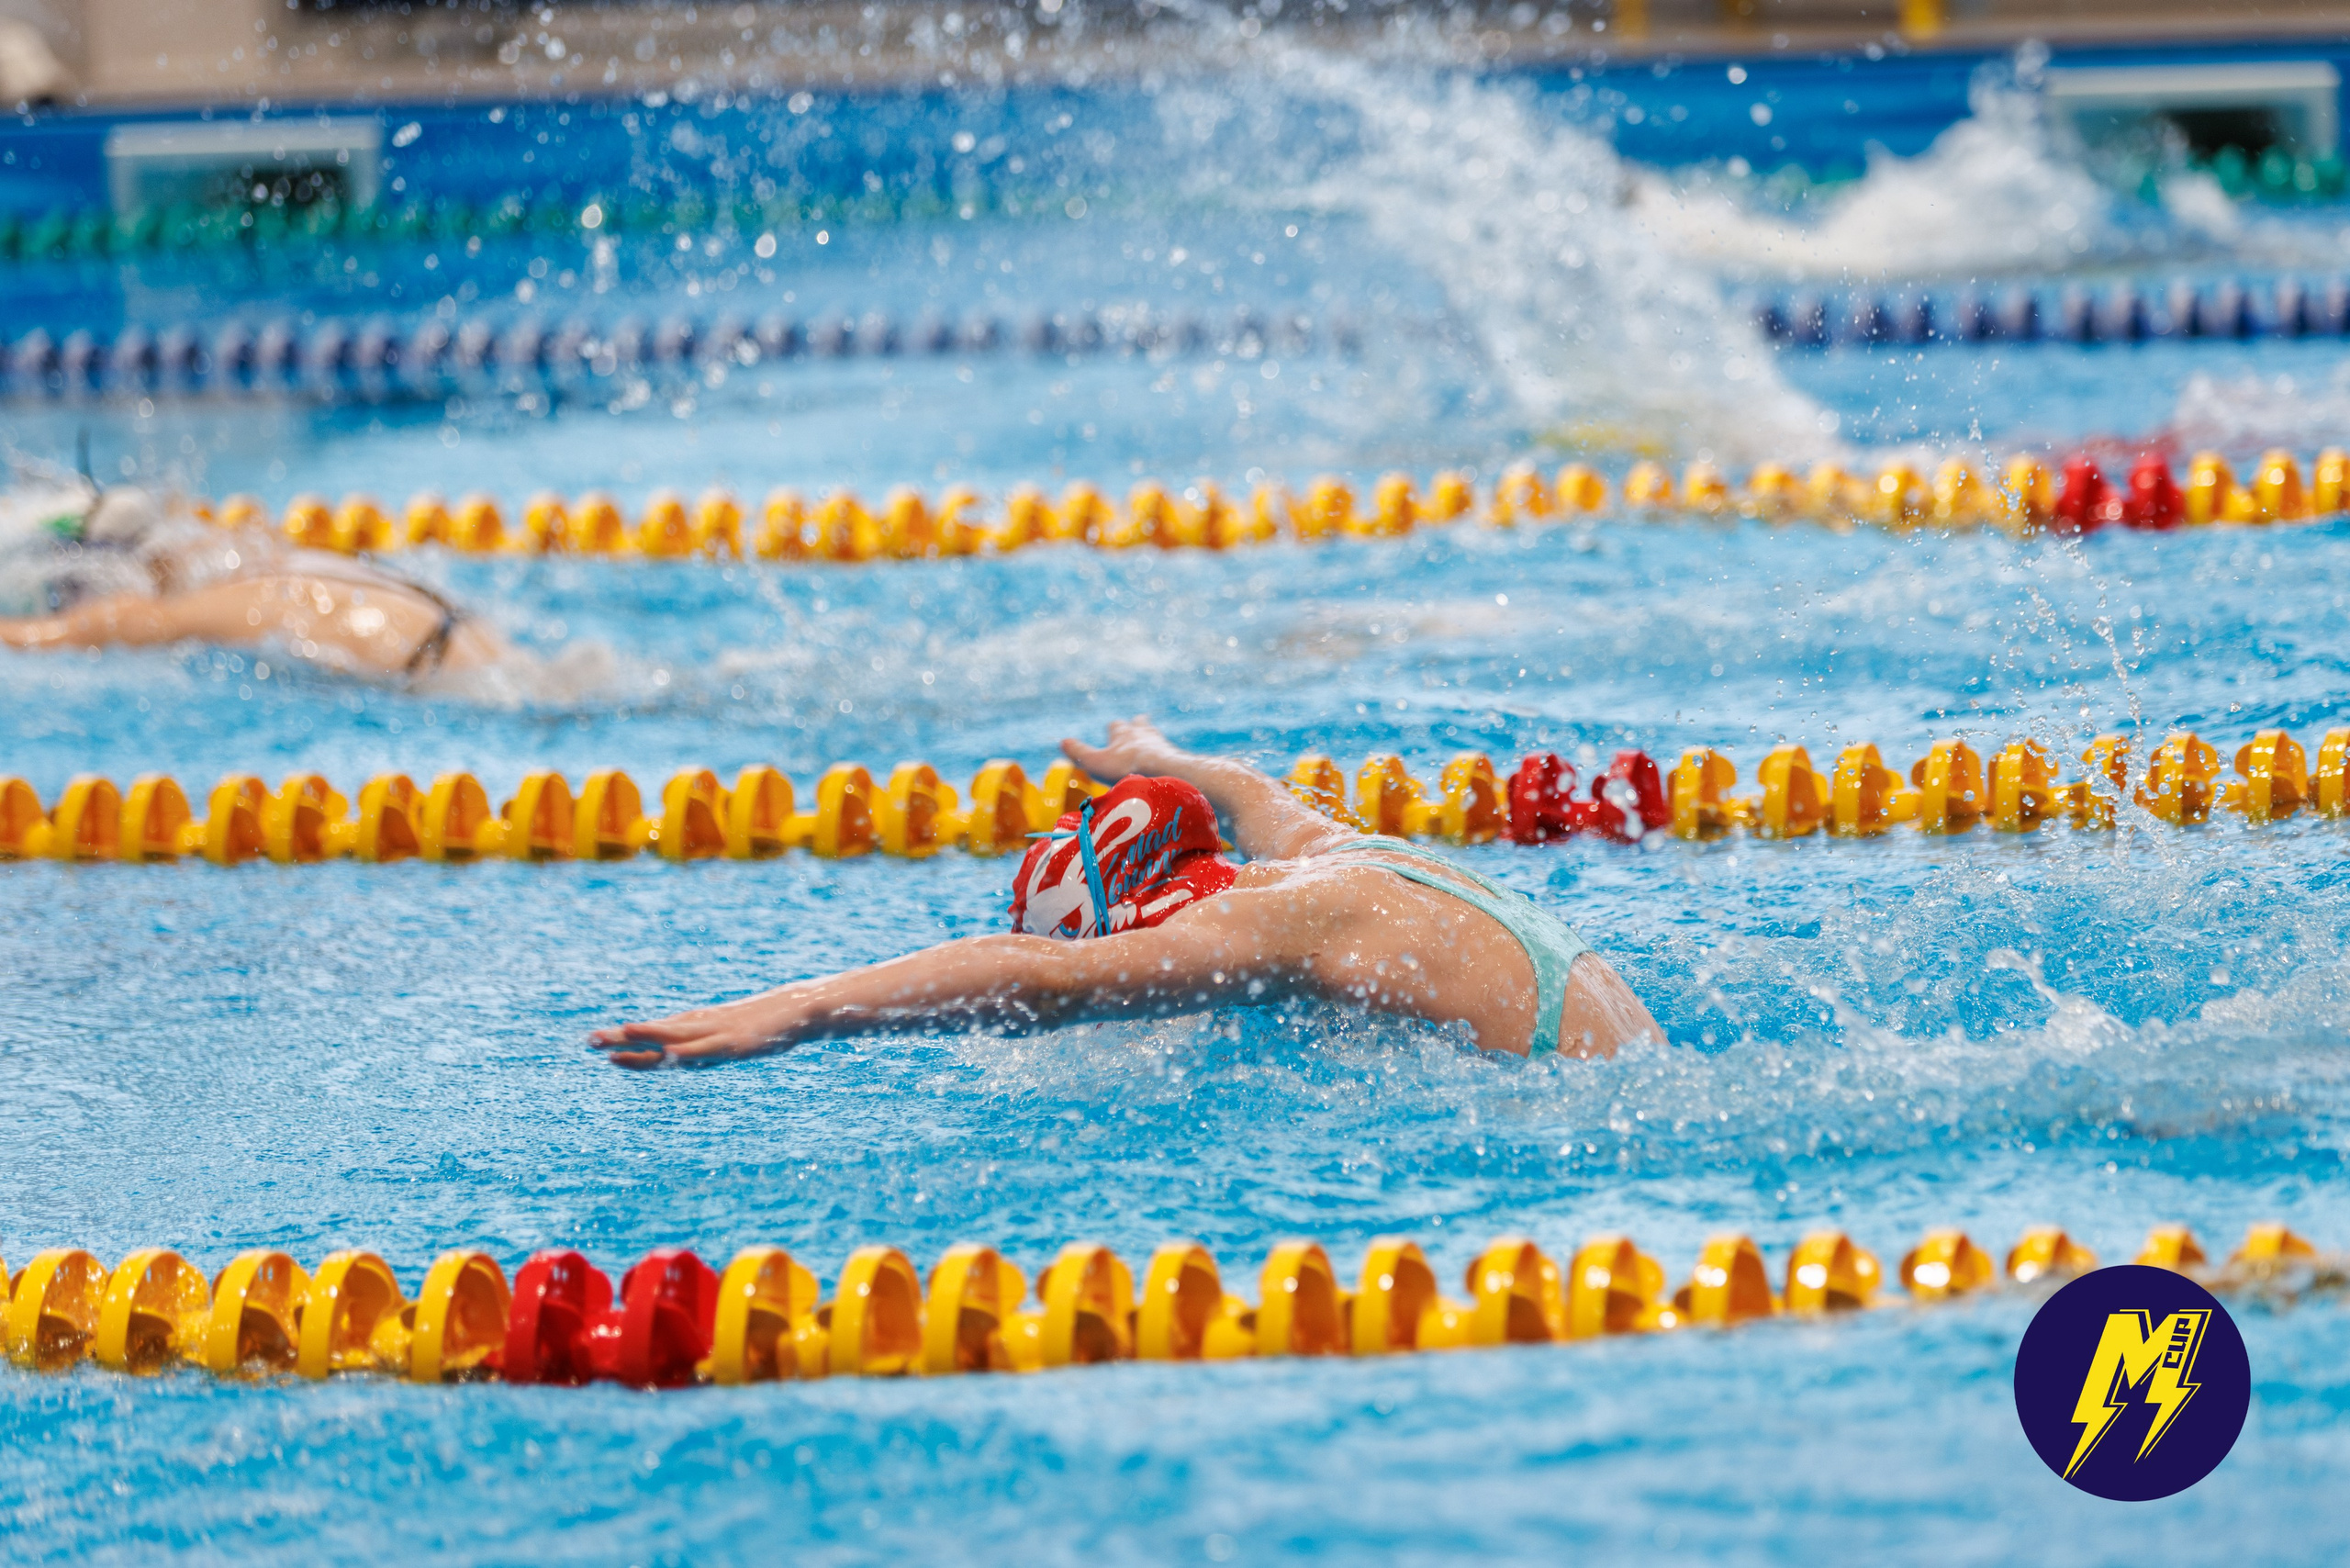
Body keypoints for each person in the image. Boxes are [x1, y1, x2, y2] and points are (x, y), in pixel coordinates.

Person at [595, 718, 1661, 1069]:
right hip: (1637, 1055)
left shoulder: (1265, 920)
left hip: (1589, 1110)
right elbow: (1249, 789)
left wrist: (795, 1009)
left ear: (1144, 918)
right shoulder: (1325, 854)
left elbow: (1041, 977)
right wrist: (1153, 753)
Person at [0, 482, 502, 678]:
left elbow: (72, 631)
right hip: (475, 640)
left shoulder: (190, 606)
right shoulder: (269, 555)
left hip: (434, 673)